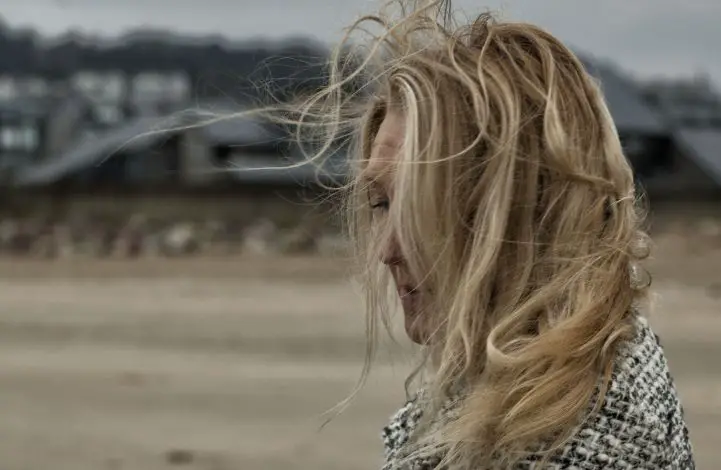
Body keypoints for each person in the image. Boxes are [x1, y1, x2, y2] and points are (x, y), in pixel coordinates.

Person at [249, 0, 696, 468]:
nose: (386, 251)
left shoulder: (566, 447)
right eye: (382, 203)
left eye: (424, 209)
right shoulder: (599, 358)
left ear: (523, 213)